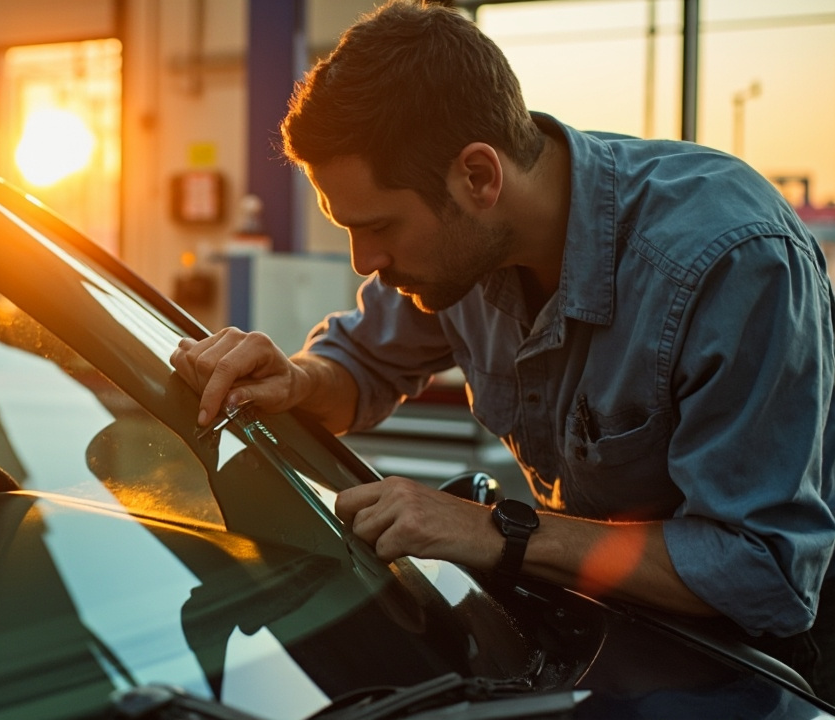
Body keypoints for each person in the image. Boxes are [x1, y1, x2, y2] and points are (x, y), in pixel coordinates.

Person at [170, 0, 834, 700]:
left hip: (762, 673)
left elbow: (763, 571)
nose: (365, 261)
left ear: (479, 177)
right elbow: (359, 368)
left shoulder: (729, 262)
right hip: (600, 635)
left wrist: (499, 532)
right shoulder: (458, 252)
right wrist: (297, 380)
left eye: (380, 226)